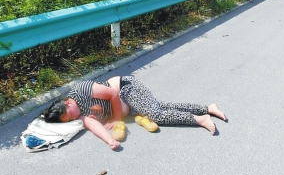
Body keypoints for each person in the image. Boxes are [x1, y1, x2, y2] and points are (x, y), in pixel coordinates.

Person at [42, 75, 227, 150]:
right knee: (161, 107)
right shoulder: (79, 112)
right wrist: (109, 140)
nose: (74, 117)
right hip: (128, 105)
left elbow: (112, 93)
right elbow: (93, 125)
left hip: (125, 88)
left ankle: (199, 119)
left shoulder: (81, 90)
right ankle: (208, 108)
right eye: (70, 120)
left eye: (70, 114)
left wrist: (115, 118)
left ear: (67, 102)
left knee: (157, 115)